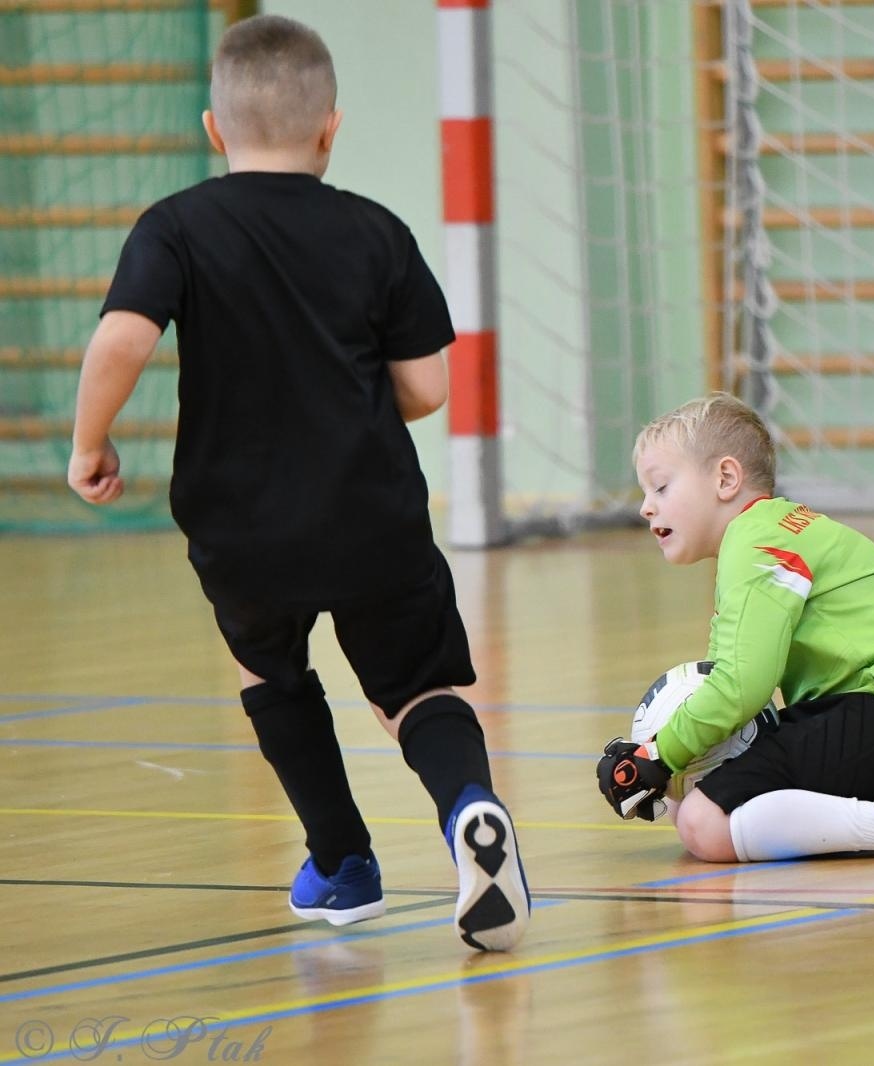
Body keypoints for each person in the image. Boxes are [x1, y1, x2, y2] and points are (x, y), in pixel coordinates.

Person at [67, 14, 528, 951]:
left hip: (241, 525)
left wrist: (90, 444)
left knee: (271, 671)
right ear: (331, 127)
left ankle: (344, 863)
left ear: (213, 129)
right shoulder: (377, 231)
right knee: (418, 687)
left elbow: (123, 338)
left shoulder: (176, 227)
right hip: (372, 513)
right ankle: (468, 809)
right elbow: (427, 389)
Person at [596, 393, 874, 862]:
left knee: (703, 825)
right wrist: (672, 763)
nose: (646, 508)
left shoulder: (757, 543)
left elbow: (740, 686)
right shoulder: (771, 530)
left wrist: (658, 756)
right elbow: (731, 683)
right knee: (691, 805)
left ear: (726, 479)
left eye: (661, 487)